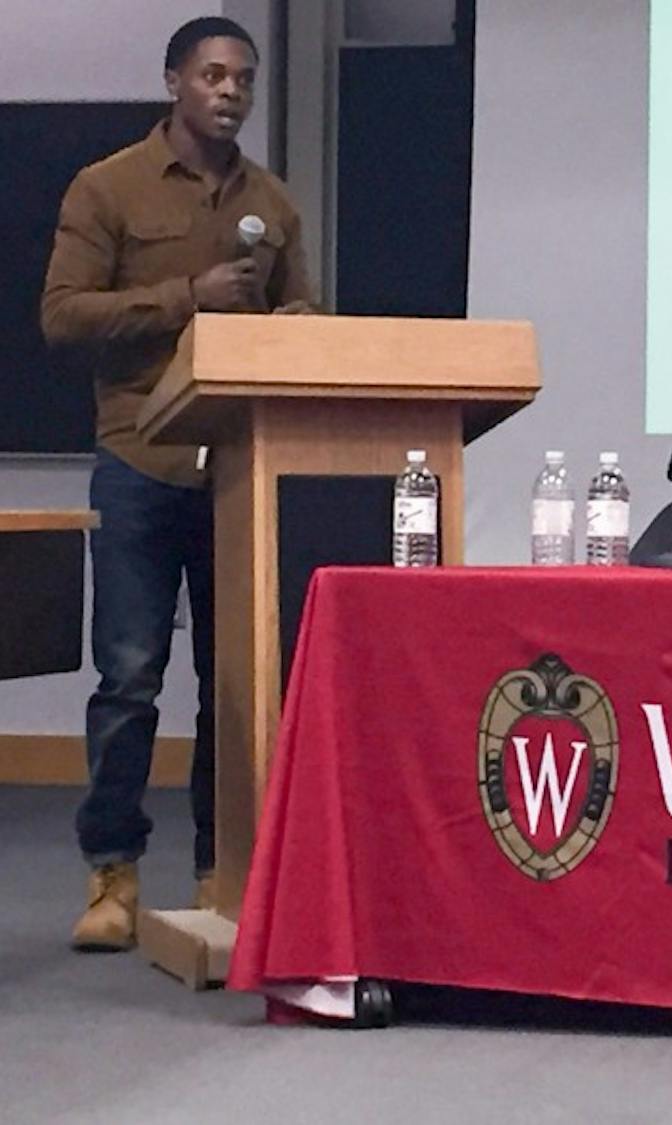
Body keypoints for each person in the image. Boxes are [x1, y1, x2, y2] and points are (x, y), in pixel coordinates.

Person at [41, 16, 313, 951]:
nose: (230, 91)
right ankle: (112, 874)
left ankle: (221, 872)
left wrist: (299, 323)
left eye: (243, 78)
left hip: (238, 469)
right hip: (140, 462)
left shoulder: (272, 203)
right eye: (212, 75)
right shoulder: (107, 186)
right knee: (129, 677)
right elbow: (62, 317)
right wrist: (184, 298)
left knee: (234, 683)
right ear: (174, 83)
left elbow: (301, 313)